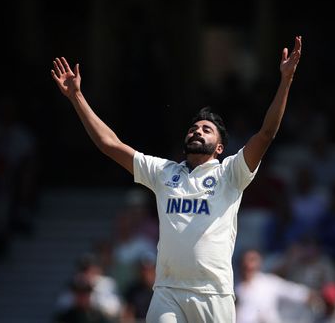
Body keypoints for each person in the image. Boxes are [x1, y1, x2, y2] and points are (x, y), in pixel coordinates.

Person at [51, 35, 302, 323]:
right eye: (194, 128)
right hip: (167, 291)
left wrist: (286, 81)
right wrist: (76, 97)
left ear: (220, 147)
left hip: (213, 294)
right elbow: (110, 144)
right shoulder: (163, 172)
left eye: (206, 129)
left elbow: (266, 134)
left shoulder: (230, 173)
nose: (197, 131)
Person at [235, 249, 316, 323]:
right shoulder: (233, 286)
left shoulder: (269, 283)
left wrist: (312, 296)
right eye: (245, 261)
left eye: (252, 260)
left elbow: (297, 293)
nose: (248, 264)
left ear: (259, 263)